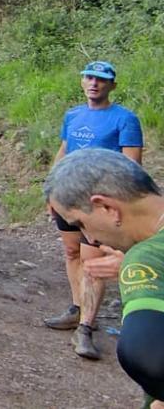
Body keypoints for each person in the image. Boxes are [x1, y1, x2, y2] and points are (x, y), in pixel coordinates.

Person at [45, 149, 164, 408]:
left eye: (80, 224)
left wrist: (139, 267)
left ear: (107, 207)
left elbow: (147, 358)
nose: (91, 239)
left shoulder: (148, 256)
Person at [42, 60, 143, 360]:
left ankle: (85, 328)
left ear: (112, 85)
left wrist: (117, 206)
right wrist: (52, 189)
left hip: (99, 206)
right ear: (82, 81)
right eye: (89, 77)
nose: (94, 83)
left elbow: (131, 166)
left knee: (93, 262)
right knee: (72, 253)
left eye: (101, 79)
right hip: (68, 197)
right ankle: (77, 308)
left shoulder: (125, 119)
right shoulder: (73, 115)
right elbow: (64, 151)